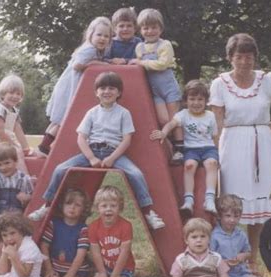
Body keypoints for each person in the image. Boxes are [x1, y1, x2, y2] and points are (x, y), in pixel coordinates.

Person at [29, 72, 165, 230]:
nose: (107, 91)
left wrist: (113, 158)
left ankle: (148, 213)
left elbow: (127, 139)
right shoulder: (92, 113)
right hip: (92, 151)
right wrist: (91, 157)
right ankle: (46, 206)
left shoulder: (123, 113)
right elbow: (81, 138)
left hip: (114, 152)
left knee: (136, 174)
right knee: (60, 169)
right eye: (103, 88)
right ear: (96, 92)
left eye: (112, 88)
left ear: (119, 92)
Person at [209, 33, 271, 273]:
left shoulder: (265, 80)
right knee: (231, 201)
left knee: (259, 205)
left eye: (249, 57)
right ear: (230, 58)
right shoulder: (220, 83)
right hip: (233, 143)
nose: (245, 62)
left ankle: (252, 260)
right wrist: (215, 151)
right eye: (239, 56)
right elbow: (217, 121)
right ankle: (225, 260)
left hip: (262, 144)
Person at [36, 16, 112, 156]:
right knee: (62, 120)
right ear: (91, 35)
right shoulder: (89, 50)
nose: (102, 38)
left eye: (106, 36)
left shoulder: (94, 50)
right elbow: (78, 66)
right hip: (69, 87)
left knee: (58, 120)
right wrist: (95, 64)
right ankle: (43, 147)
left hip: (66, 84)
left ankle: (43, 146)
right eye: (99, 34)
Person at [150, 80, 218, 214]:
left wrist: (218, 151)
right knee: (189, 165)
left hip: (208, 148)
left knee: (212, 163)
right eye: (192, 99)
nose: (196, 103)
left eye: (200, 99)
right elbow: (171, 124)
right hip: (191, 149)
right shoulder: (183, 114)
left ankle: (209, 199)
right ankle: (188, 201)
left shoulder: (210, 115)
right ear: (186, 101)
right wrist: (163, 132)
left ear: (206, 101)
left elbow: (215, 135)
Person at [129, 8, 183, 163]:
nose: (150, 31)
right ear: (140, 30)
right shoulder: (140, 48)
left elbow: (162, 64)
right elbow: (139, 68)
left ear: (160, 28)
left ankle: (180, 149)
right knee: (163, 120)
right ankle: (170, 145)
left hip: (168, 87)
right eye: (146, 28)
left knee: (175, 119)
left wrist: (141, 62)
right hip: (155, 90)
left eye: (154, 27)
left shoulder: (164, 45)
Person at [0, 144, 34, 273]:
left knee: (1, 249)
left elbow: (32, 197)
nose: (3, 167)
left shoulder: (23, 180)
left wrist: (26, 197)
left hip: (15, 223)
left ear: (16, 162)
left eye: (7, 163)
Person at [167, 218, 240, 277]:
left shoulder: (216, 258)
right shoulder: (181, 259)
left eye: (203, 236)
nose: (199, 240)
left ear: (209, 239)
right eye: (194, 237)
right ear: (186, 240)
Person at [40, 188, 91, 277]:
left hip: (77, 272)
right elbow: (44, 246)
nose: (72, 207)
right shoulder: (53, 224)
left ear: (83, 209)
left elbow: (80, 255)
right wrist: (49, 270)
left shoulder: (83, 229)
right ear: (62, 205)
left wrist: (70, 275)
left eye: (77, 205)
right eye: (68, 203)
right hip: (56, 269)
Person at [88, 186, 135, 277]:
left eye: (113, 206)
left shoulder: (126, 226)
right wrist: (102, 273)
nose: (108, 209)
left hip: (123, 268)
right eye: (104, 206)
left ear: (120, 208)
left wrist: (115, 275)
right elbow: (96, 253)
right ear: (97, 208)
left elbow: (125, 252)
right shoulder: (93, 226)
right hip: (105, 267)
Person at [210, 194, 261, 277]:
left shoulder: (241, 234)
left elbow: (248, 252)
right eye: (228, 216)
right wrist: (223, 263)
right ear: (220, 216)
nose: (232, 220)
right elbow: (210, 258)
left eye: (236, 216)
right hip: (224, 274)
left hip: (240, 272)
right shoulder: (215, 236)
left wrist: (243, 255)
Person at [0, 73, 34, 174]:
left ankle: (19, 177)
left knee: (20, 151)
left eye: (18, 94)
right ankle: (25, 176)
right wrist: (12, 145)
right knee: (15, 152)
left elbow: (18, 130)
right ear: (3, 93)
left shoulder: (14, 110)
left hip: (8, 140)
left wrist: (26, 148)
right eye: (11, 93)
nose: (15, 96)